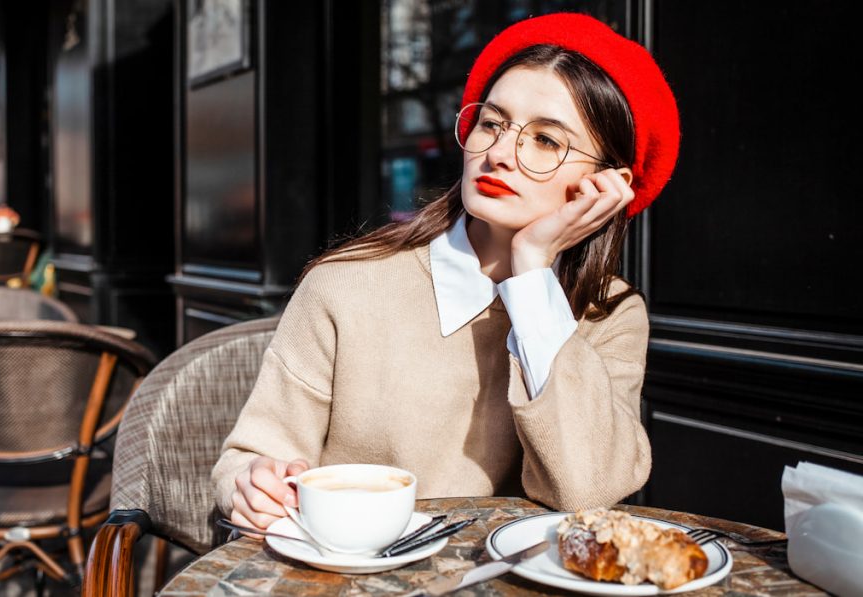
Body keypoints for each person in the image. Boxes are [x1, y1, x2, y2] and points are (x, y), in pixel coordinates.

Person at [211, 12, 680, 535]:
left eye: (547, 141)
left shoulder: (609, 313)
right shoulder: (347, 283)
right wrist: (255, 483)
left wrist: (530, 275)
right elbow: (252, 457)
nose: (500, 153)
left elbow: (587, 491)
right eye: (492, 123)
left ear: (607, 185)